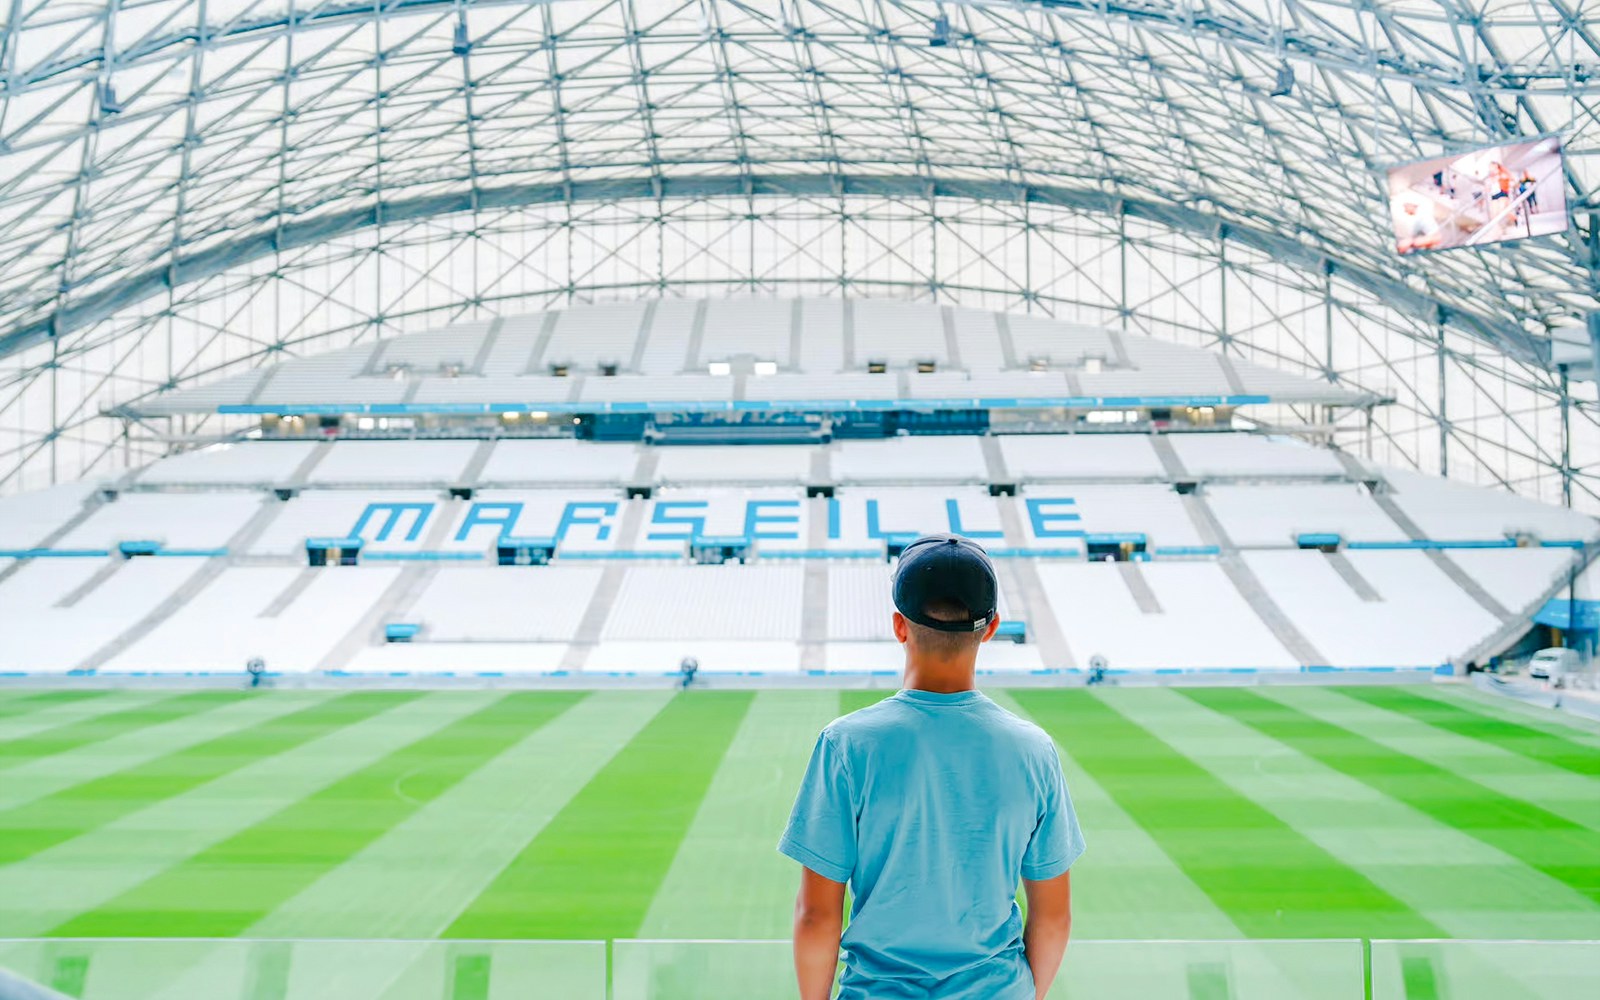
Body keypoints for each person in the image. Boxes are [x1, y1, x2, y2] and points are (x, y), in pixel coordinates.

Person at [779, 533, 1085, 1000]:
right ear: (991, 628)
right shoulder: (1034, 751)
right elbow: (1054, 917)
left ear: (899, 627)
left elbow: (817, 916)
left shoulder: (846, 745)